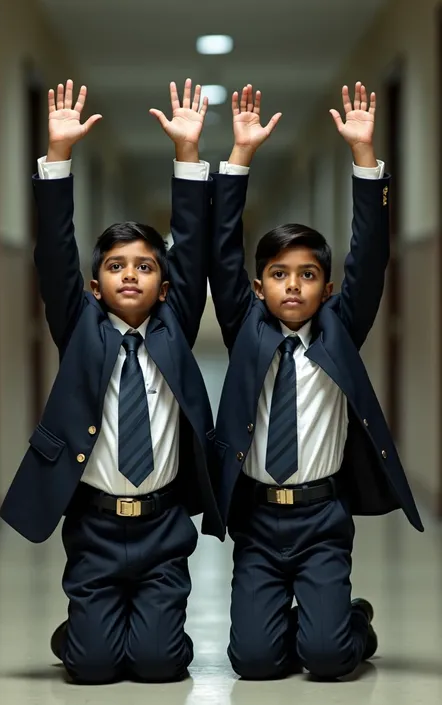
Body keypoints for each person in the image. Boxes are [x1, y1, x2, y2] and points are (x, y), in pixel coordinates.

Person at [0, 78, 223, 684]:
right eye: (116, 267)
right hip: (95, 525)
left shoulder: (175, 322)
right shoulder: (80, 327)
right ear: (95, 286)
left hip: (162, 525)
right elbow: (54, 254)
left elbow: (195, 245)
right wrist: (58, 157)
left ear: (166, 285)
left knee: (159, 666)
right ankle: (85, 630)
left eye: (146, 267)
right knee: (91, 668)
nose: (130, 276)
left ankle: (139, 626)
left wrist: (187, 155)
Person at [206, 82, 423, 680]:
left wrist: (364, 158)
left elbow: (370, 255)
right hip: (257, 520)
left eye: (308, 275)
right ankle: (301, 620)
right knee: (253, 662)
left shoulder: (338, 330)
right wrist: (239, 158)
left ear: (327, 289)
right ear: (259, 289)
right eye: (279, 274)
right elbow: (222, 253)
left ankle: (347, 619)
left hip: (322, 519)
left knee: (327, 659)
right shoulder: (244, 327)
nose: (294, 286)